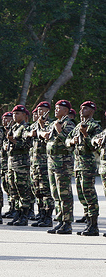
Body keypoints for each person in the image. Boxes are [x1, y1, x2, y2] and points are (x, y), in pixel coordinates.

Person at [65, 101, 101, 236]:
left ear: (92, 111)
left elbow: (94, 146)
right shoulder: (78, 126)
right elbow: (67, 141)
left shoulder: (94, 126)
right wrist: (72, 141)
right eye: (81, 108)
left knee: (89, 194)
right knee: (82, 195)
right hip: (78, 165)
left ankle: (94, 225)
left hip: (88, 165)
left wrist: (85, 135)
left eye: (85, 108)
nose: (81, 111)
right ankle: (88, 223)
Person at [41, 100, 75, 234]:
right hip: (52, 162)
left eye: (58, 108)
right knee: (55, 194)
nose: (55, 110)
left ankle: (67, 223)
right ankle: (60, 220)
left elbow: (68, 141)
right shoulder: (54, 123)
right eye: (55, 108)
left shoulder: (69, 124)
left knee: (64, 194)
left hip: (63, 163)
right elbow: (48, 137)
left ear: (66, 110)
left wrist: (59, 130)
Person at [26, 101, 54, 227]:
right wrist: (30, 133)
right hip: (34, 165)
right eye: (38, 111)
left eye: (42, 110)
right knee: (37, 191)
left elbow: (48, 136)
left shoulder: (51, 124)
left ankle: (48, 217)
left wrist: (41, 129)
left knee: (46, 192)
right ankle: (41, 215)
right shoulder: (33, 126)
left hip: (45, 164)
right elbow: (24, 134)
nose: (40, 113)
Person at [6, 105, 32, 226]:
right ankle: (17, 214)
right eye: (13, 113)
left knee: (23, 190)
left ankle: (24, 216)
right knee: (13, 190)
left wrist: (13, 141)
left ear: (24, 115)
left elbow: (27, 144)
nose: (14, 115)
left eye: (17, 113)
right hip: (12, 162)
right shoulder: (14, 127)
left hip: (21, 164)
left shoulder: (25, 127)